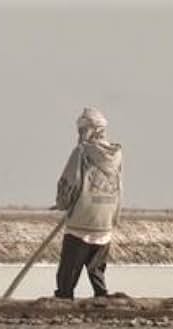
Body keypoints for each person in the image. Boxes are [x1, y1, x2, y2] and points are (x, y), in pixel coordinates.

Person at [53, 107, 123, 298]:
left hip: (81, 222)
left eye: (82, 129)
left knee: (68, 271)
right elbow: (119, 186)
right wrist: (114, 217)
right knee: (96, 269)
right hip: (105, 222)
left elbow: (69, 181)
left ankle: (64, 297)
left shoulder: (82, 152)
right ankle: (101, 297)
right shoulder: (116, 155)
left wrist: (63, 203)